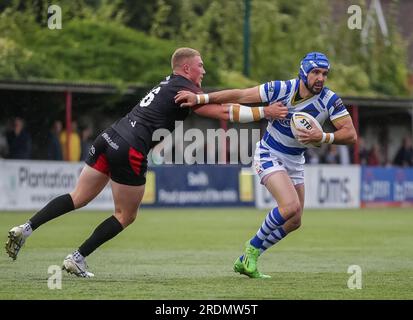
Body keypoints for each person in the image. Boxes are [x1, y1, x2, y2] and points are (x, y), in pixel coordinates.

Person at [5, 47, 285, 278]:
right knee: (126, 215)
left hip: (109, 136)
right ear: (186, 68)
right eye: (201, 65)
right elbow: (222, 110)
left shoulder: (170, 84)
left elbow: (215, 109)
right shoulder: (184, 88)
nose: (204, 71)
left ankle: (26, 228)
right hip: (131, 148)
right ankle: (77, 257)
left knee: (77, 197)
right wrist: (265, 111)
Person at [175, 52, 357, 278]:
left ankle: (246, 261)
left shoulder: (330, 100)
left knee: (295, 221)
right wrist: (200, 99)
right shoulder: (280, 89)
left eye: (324, 74)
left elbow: (350, 135)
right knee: (290, 207)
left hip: (295, 160)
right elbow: (241, 94)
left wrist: (323, 137)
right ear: (303, 72)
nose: (320, 78)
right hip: (269, 153)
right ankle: (251, 250)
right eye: (315, 73)